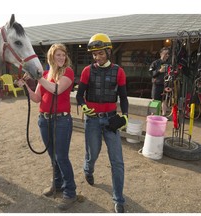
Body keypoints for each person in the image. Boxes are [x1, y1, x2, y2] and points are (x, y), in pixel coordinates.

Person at [17, 43, 77, 210]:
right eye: (58, 55)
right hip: (44, 120)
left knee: (61, 157)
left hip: (62, 121)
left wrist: (38, 78)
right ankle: (56, 185)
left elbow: (56, 89)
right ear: (51, 56)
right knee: (53, 156)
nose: (61, 58)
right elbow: (36, 98)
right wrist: (26, 88)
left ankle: (70, 192)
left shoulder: (68, 72)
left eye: (63, 55)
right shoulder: (45, 74)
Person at [76, 33, 129, 213]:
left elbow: (123, 96)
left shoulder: (119, 71)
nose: (97, 57)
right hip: (92, 121)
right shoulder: (87, 71)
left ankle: (118, 199)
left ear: (108, 51)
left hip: (111, 120)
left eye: (100, 53)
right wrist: (83, 106)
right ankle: (88, 169)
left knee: (117, 161)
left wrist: (126, 115)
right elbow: (78, 95)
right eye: (94, 54)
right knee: (93, 153)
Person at [149, 47, 170, 116]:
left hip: (166, 85)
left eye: (168, 54)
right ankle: (153, 115)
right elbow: (151, 73)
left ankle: (163, 115)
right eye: (165, 53)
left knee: (164, 100)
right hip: (157, 85)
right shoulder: (155, 63)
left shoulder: (169, 64)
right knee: (155, 100)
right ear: (161, 54)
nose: (167, 55)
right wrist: (159, 71)